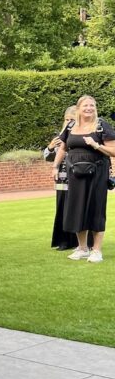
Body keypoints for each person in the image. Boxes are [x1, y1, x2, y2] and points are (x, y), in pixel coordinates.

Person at [53, 94, 115, 263]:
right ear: (78, 108)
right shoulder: (71, 126)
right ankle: (82, 248)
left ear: (95, 108)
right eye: (85, 105)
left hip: (97, 174)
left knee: (96, 209)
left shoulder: (102, 126)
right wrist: (55, 167)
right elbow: (62, 148)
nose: (89, 108)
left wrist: (96, 145)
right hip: (75, 174)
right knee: (76, 209)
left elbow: (113, 151)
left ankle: (96, 250)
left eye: (92, 105)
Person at [44, 107, 78, 251]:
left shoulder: (80, 136)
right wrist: (50, 147)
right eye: (67, 119)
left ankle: (79, 242)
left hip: (77, 178)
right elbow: (47, 157)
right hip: (62, 180)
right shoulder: (59, 138)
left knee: (77, 210)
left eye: (72, 119)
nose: (69, 122)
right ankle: (63, 241)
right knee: (62, 210)